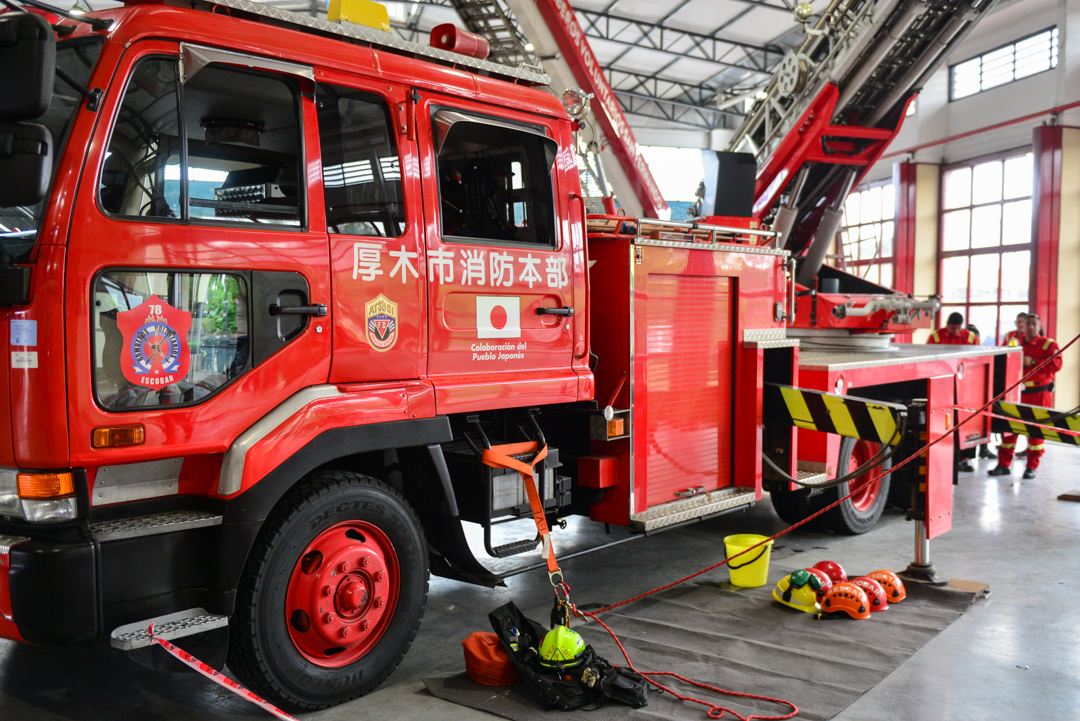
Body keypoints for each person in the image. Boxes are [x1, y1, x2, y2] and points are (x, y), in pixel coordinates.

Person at [988, 314, 1062, 479]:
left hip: (1039, 393)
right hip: (1016, 393)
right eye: (1026, 323)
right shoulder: (1015, 341)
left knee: (1036, 431)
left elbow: (1057, 364)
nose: (1029, 327)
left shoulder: (1049, 344)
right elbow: (1000, 357)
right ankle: (1003, 464)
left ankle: (1031, 467)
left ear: (1039, 326)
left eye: (1033, 324)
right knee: (1008, 430)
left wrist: (1033, 362)